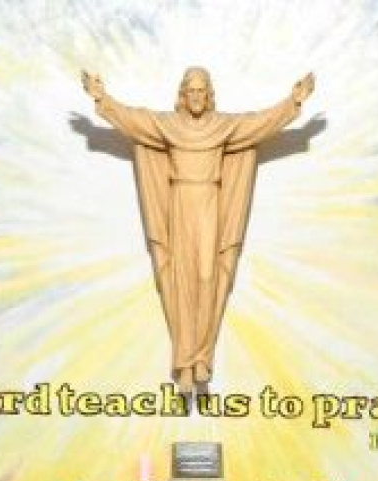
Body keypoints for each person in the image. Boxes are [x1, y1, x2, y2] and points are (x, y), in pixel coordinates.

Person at [81, 67, 314, 392]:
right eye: (190, 90)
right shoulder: (169, 125)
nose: (195, 96)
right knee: (179, 280)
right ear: (182, 94)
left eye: (201, 91)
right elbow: (134, 119)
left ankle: (202, 356)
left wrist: (292, 102)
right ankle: (184, 363)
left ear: (209, 95)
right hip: (179, 201)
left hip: (210, 201)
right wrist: (102, 99)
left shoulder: (223, 126)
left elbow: (259, 123)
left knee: (207, 276)